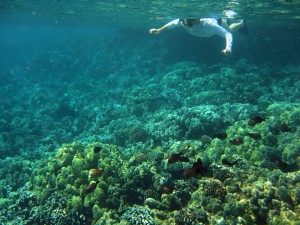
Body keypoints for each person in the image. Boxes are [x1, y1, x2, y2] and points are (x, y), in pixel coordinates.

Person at [149, 18, 246, 55]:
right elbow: (171, 24)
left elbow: (227, 34)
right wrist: (159, 30)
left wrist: (228, 47)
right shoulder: (182, 21)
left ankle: (241, 23)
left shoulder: (208, 24)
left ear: (198, 20)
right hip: (206, 34)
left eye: (192, 24)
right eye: (187, 25)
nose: (190, 27)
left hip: (217, 23)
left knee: (231, 30)